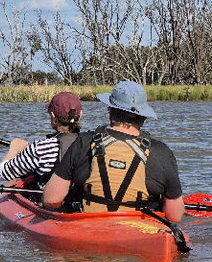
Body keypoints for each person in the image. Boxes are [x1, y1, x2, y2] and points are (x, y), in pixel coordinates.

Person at [42, 81, 185, 223]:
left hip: (89, 227)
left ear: (110, 110)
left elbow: (52, 199)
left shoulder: (83, 142)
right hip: (138, 230)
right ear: (143, 116)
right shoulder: (162, 152)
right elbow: (175, 216)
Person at [0, 91, 83, 188]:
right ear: (80, 115)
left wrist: (13, 150)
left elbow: (2, 173)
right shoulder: (90, 143)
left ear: (53, 116)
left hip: (50, 196)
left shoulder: (42, 148)